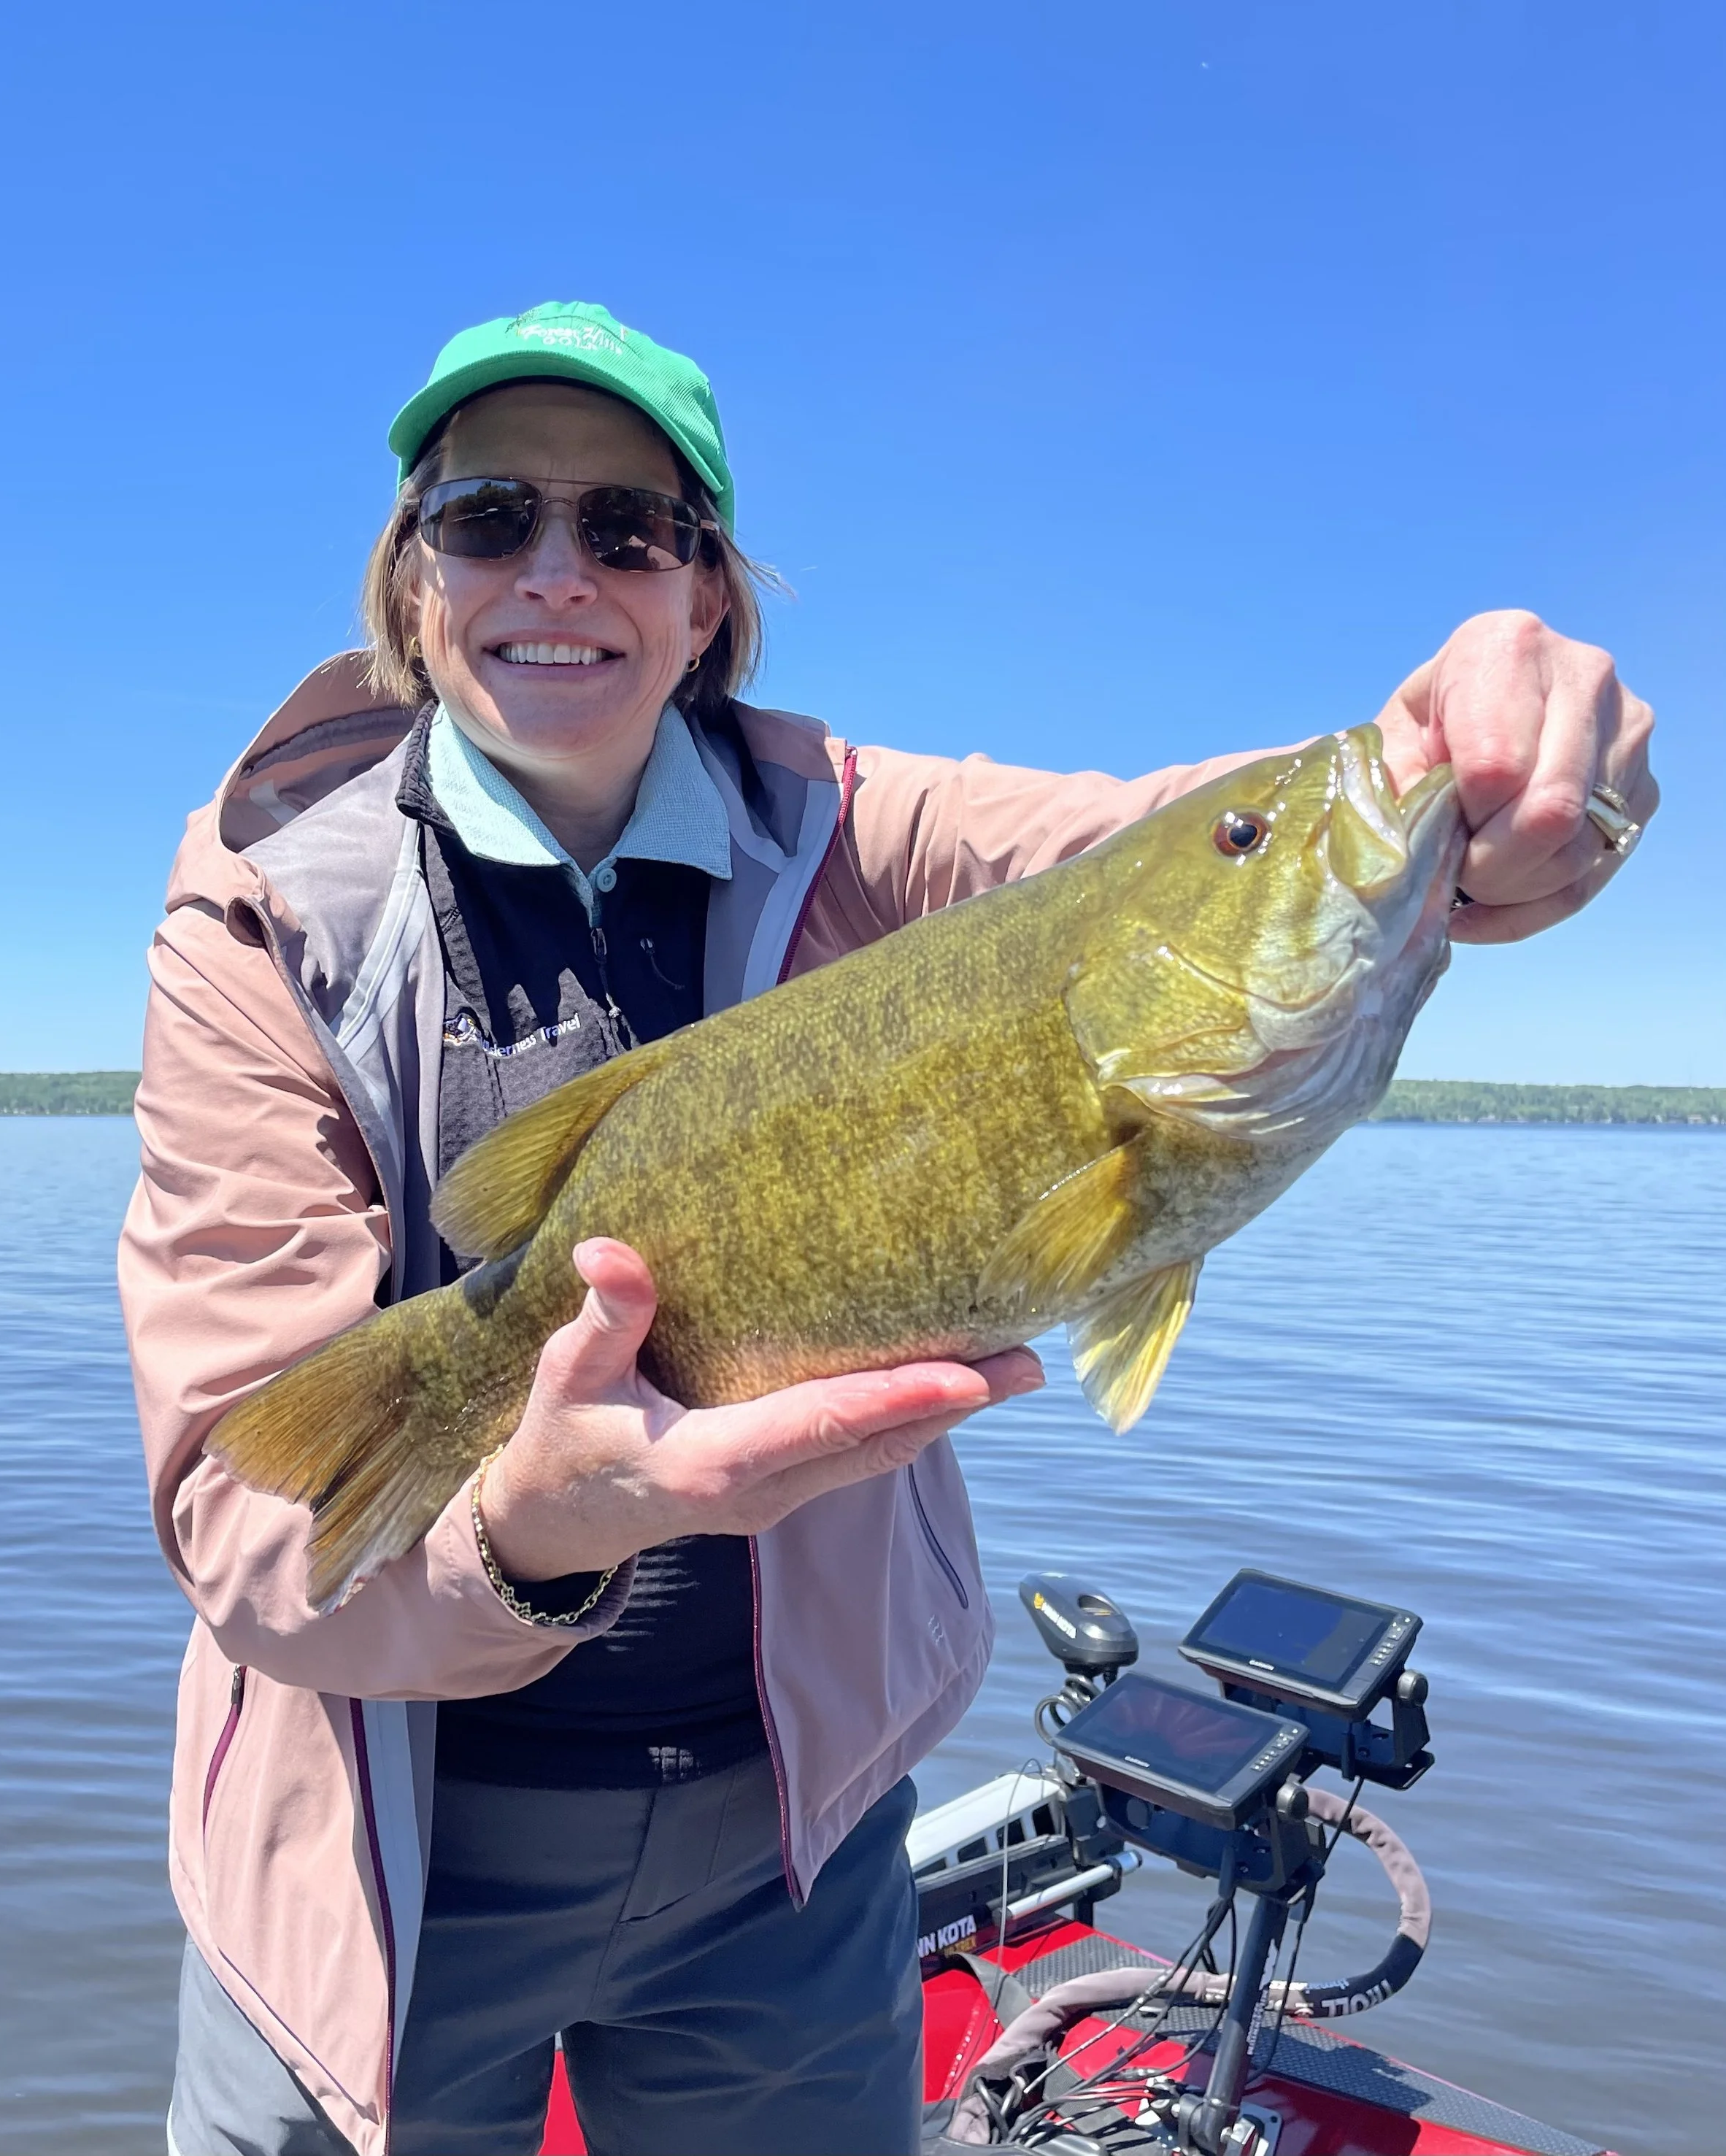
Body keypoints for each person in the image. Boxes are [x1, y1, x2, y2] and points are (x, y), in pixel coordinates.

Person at [120, 301, 1657, 2156]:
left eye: (629, 529)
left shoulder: (846, 823)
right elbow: (246, 1515)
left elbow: (1147, 852)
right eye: (489, 517)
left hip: (793, 1829)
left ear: (706, 600)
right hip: (375, 1851)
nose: (558, 572)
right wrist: (542, 1522)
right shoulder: (258, 919)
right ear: (412, 575)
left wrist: (1462, 759)